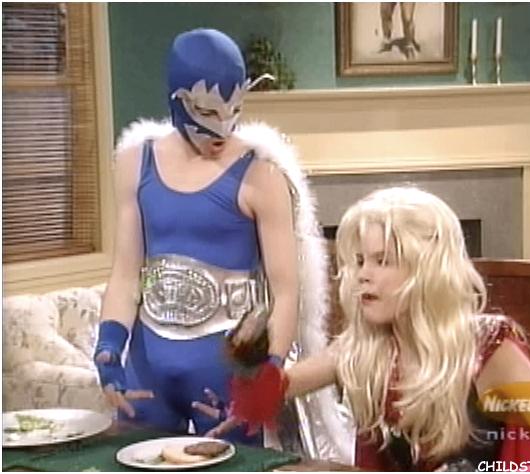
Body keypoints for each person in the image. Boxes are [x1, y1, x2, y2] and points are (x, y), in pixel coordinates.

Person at [92, 28, 353, 457]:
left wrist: (270, 371)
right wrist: (107, 348)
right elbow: (125, 274)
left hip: (227, 375)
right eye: (207, 111)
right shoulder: (135, 162)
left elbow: (286, 290)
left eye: (234, 109)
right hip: (147, 368)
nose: (222, 126)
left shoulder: (262, 174)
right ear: (178, 99)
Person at [228, 186, 530, 470]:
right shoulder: (362, 347)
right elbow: (269, 394)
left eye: (383, 261)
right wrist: (246, 359)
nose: (363, 275)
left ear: (428, 272)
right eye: (360, 261)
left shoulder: (490, 348)